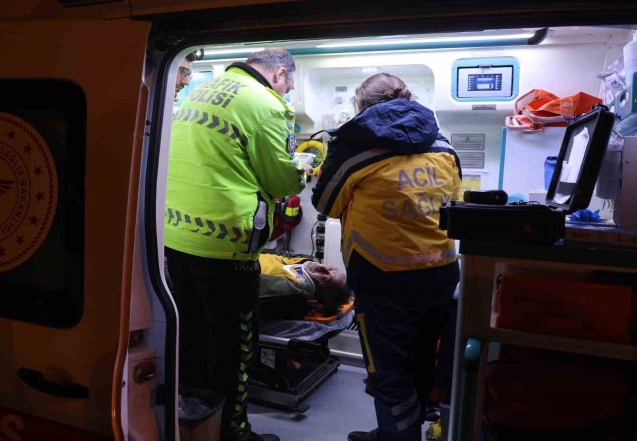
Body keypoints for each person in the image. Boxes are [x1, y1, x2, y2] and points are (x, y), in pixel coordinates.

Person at [164, 47, 306, 441]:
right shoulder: (268, 105)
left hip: (176, 237)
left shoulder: (198, 91)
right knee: (234, 348)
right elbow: (283, 181)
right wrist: (302, 168)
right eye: (288, 85)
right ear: (279, 74)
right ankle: (233, 432)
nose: (286, 92)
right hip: (226, 245)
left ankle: (195, 425)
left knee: (191, 337)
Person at [311, 72, 462, 441]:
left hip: (383, 279)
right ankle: (398, 431)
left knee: (388, 371)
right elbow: (452, 203)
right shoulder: (443, 145)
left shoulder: (354, 148)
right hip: (441, 274)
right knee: (423, 359)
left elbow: (325, 204)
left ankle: (398, 436)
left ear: (362, 105)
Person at [258, 253, 351, 319]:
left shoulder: (287, 288)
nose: (322, 266)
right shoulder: (300, 264)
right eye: (331, 268)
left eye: (325, 277)